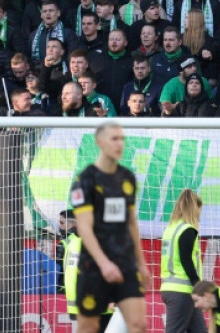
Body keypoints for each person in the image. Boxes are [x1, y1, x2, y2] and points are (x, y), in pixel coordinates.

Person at [70, 122, 151, 333]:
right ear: (100, 142)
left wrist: (141, 263)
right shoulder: (84, 180)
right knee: (88, 327)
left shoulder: (127, 178)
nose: (120, 144)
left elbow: (131, 222)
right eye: (114, 138)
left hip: (125, 264)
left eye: (122, 139)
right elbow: (84, 228)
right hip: (94, 267)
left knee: (138, 324)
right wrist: (104, 264)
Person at [160, 189, 206, 333]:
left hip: (173, 288)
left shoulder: (171, 229)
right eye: (199, 210)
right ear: (194, 208)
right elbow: (186, 259)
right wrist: (198, 285)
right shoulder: (188, 230)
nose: (200, 214)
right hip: (182, 290)